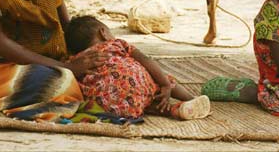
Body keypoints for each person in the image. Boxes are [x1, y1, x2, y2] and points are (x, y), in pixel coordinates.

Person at [64, 15, 211, 120]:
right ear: (103, 33)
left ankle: (170, 110)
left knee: (134, 99)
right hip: (138, 87)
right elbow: (145, 60)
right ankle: (191, 100)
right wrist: (164, 84)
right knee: (161, 81)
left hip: (107, 107)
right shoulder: (117, 43)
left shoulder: (77, 61)